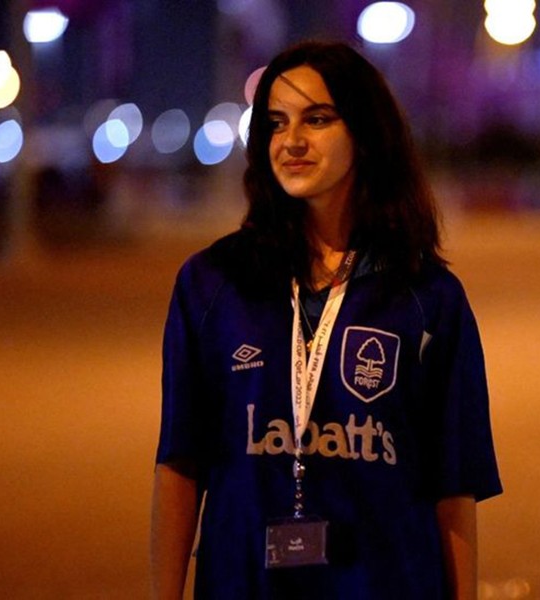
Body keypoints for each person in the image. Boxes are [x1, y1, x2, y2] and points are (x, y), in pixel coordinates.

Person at [150, 40, 502, 599]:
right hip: (246, 585)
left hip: (388, 584)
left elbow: (453, 485)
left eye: (316, 119)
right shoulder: (212, 283)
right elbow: (180, 461)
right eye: (274, 123)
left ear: (366, 133)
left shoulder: (428, 298)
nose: (291, 142)